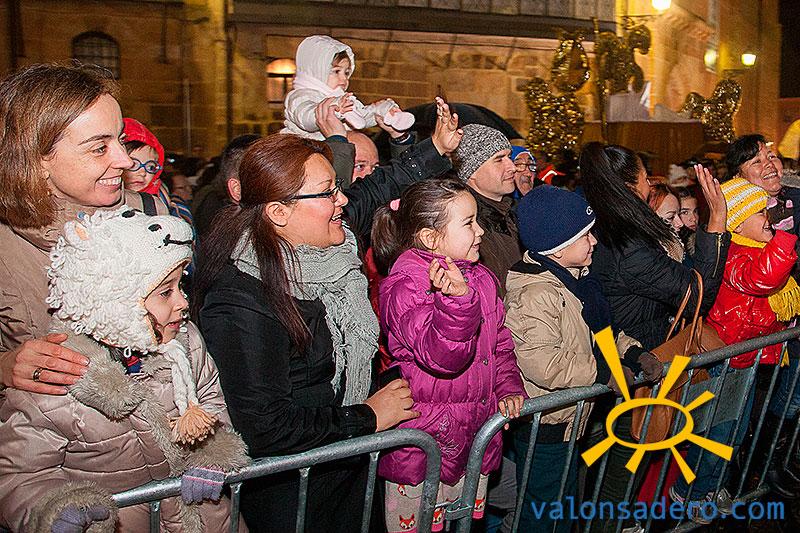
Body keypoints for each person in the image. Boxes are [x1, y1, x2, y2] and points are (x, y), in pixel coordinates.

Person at [194, 105, 461, 531]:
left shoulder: (328, 245)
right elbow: (265, 426)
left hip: (349, 471)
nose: (342, 200)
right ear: (278, 213)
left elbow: (375, 189)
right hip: (295, 496)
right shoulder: (240, 298)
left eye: (337, 188)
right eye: (328, 192)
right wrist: (368, 416)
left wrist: (434, 148)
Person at [0, 207, 249, 531]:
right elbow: (21, 474)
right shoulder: (57, 375)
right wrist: (57, 510)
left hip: (208, 519)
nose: (183, 302)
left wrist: (212, 453)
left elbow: (210, 399)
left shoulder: (185, 343)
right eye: (165, 292)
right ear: (115, 301)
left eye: (180, 286)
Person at [579, 143, 729, 531]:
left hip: (630, 359)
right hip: (635, 364)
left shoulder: (609, 226)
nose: (651, 184)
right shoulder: (627, 244)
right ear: (630, 185)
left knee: (617, 465)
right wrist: (716, 225)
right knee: (622, 471)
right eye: (646, 177)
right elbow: (697, 294)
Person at [0, 63, 169, 395]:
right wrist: (5, 365)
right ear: (37, 159)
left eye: (120, 140)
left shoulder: (153, 215)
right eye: (99, 148)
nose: (125, 161)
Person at [372, 177, 526, 533]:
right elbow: (444, 358)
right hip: (424, 448)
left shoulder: (481, 278)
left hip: (472, 435)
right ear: (430, 238)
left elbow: (499, 344)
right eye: (469, 223)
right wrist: (457, 303)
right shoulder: (406, 286)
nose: (481, 231)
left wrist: (508, 388)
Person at [505, 185, 661, 533]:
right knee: (543, 513)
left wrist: (633, 352)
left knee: (564, 506)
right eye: (585, 236)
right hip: (546, 427)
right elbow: (542, 362)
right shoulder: (535, 294)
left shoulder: (577, 279)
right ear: (558, 247)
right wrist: (603, 373)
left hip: (572, 420)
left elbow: (602, 331)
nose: (594, 242)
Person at [670, 178, 799, 523]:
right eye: (760, 212)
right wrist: (785, 237)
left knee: (735, 432)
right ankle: (690, 491)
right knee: (718, 432)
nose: (769, 218)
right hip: (726, 359)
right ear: (738, 223)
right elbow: (763, 279)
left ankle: (712, 487)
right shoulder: (735, 254)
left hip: (746, 359)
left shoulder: (758, 248)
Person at [282, 35, 414, 139]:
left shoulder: (341, 99)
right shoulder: (301, 95)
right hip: (304, 155)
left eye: (346, 73)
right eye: (336, 71)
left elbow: (361, 118)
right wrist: (335, 108)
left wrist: (378, 112)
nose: (344, 79)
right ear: (316, 70)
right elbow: (306, 117)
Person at [453, 124, 522, 294]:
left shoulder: (513, 212)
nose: (512, 167)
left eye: (509, 157)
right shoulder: (465, 229)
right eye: (499, 159)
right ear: (471, 172)